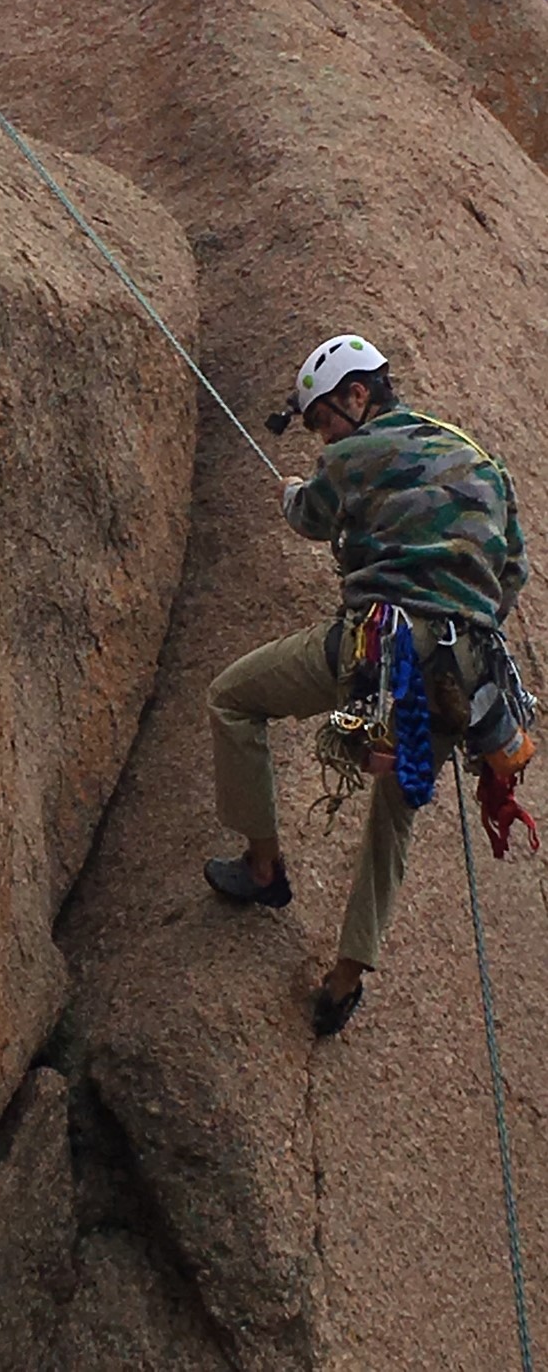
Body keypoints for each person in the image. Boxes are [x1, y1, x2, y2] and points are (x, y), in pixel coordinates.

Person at [202, 334, 529, 1035]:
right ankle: (344, 981)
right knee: (397, 807)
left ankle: (262, 869)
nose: (320, 434)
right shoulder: (481, 461)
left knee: (232, 697)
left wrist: (293, 492)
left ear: (357, 395)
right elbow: (513, 571)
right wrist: (462, 617)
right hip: (463, 665)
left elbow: (308, 517)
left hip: (379, 643)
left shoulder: (351, 456)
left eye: (321, 418)